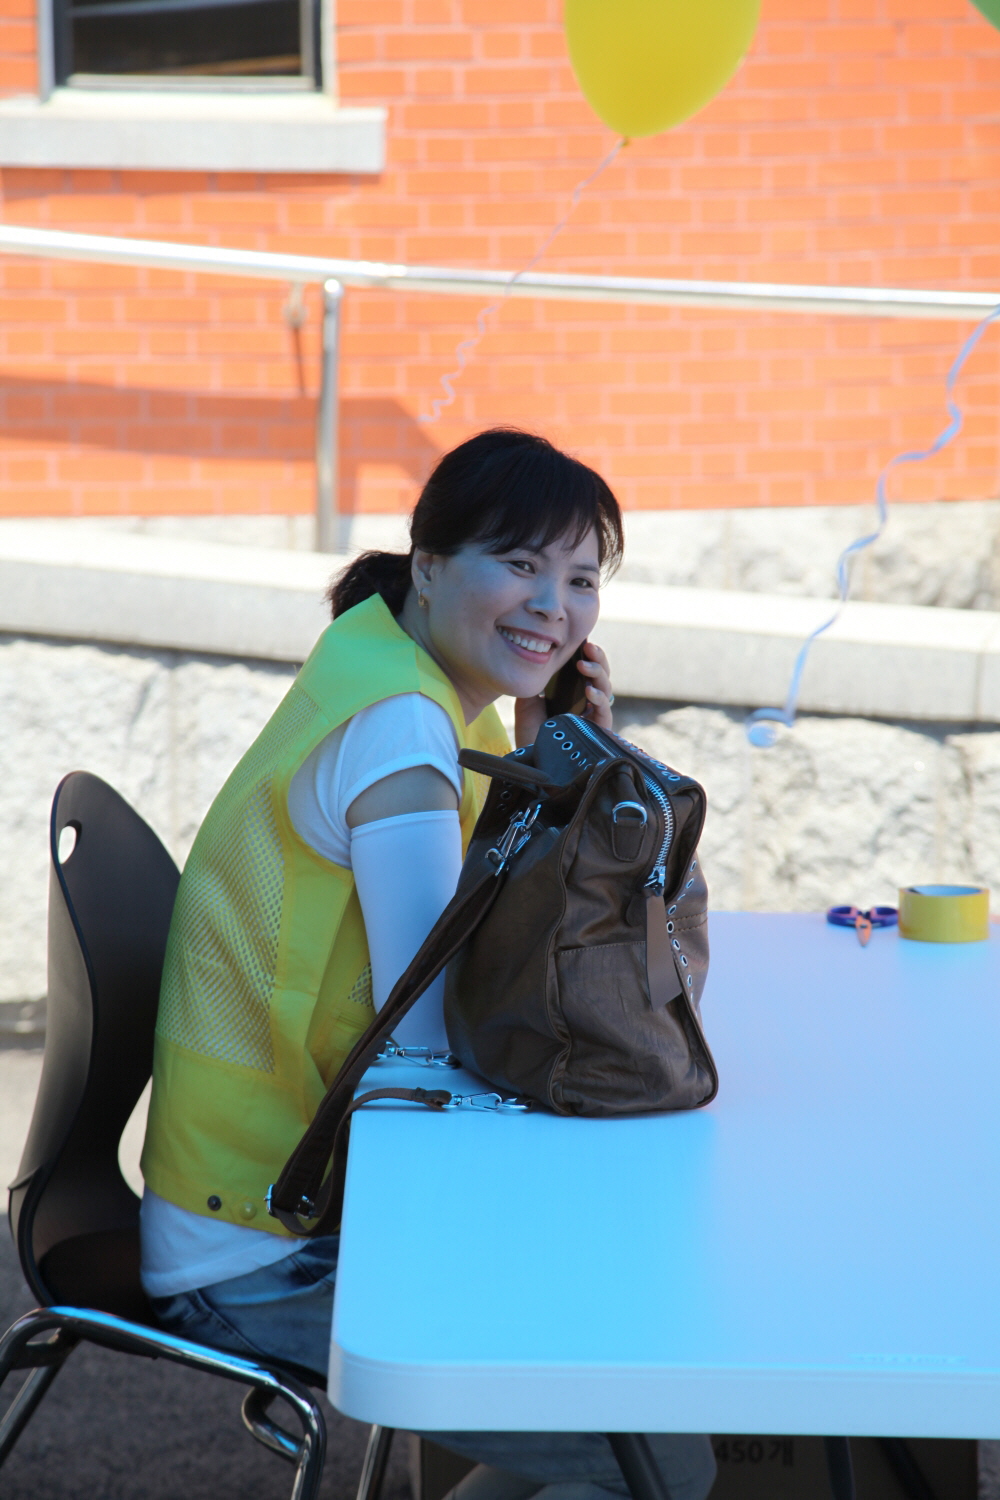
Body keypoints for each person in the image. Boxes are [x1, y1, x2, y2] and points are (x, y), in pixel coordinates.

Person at [139, 428, 716, 1500]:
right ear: (432, 564)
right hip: (261, 1245)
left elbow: (466, 957)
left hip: (266, 1194)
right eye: (521, 563)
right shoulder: (404, 730)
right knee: (662, 1461)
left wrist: (555, 758)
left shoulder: (383, 664)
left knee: (627, 1361)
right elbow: (431, 1038)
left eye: (581, 579)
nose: (554, 605)